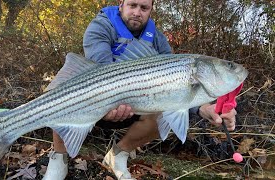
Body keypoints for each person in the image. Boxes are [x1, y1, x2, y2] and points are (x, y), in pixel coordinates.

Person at [43, 0, 237, 179]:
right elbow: (100, 72)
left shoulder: (158, 41)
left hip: (136, 105)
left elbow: (177, 89)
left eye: (144, 8)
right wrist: (108, 103)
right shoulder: (100, 27)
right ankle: (59, 157)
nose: (137, 12)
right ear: (121, 5)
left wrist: (205, 109)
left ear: (151, 10)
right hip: (98, 97)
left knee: (165, 114)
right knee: (64, 96)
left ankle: (118, 154)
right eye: (132, 5)